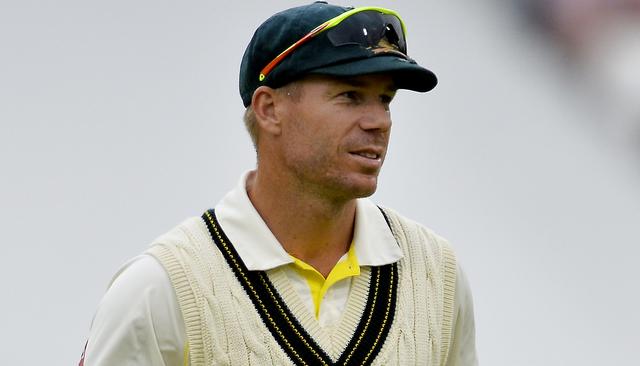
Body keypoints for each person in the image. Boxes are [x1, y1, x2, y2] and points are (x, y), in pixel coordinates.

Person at [80, 2, 478, 365]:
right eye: (350, 96)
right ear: (269, 109)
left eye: (385, 100)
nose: (379, 122)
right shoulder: (161, 289)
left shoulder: (435, 274)